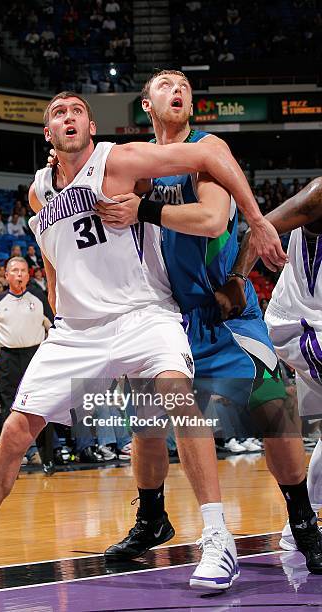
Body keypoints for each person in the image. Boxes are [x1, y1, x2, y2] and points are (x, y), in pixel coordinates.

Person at [0, 90, 285, 585]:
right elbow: (49, 249)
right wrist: (56, 296)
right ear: (47, 134)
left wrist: (258, 221)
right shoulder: (37, 190)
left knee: (176, 398)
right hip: (77, 331)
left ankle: (217, 537)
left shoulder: (120, 160)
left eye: (76, 112)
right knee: (14, 431)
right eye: (57, 114)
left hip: (144, 313)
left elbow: (212, 153)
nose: (67, 118)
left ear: (90, 128)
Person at [95, 71, 322, 578]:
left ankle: (305, 524)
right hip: (165, 319)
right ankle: (152, 518)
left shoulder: (206, 148)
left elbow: (214, 221)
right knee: (148, 423)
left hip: (223, 310)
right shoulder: (137, 162)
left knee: (273, 412)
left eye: (184, 86)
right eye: (165, 84)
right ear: (145, 104)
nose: (178, 90)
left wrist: (145, 208)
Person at [229, 177, 322, 554]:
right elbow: (259, 229)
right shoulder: (319, 194)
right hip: (302, 324)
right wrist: (234, 279)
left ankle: (301, 524)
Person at [0, 257, 53, 471]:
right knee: (9, 408)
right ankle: (11, 462)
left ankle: (48, 458)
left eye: (23, 271)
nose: (19, 274)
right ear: (6, 275)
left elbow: (55, 329)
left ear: (29, 275)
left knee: (42, 406)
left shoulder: (38, 298)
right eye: (15, 271)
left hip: (35, 356)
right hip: (8, 358)